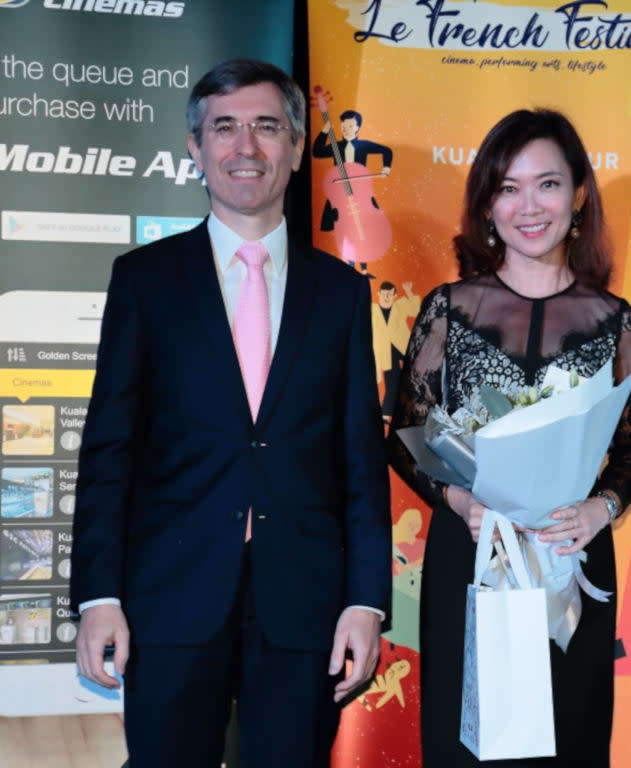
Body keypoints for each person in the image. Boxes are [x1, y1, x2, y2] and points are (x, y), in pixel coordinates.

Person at [69, 59, 392, 768]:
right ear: (196, 148)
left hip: (303, 603)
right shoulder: (145, 282)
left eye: (266, 127)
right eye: (225, 128)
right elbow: (109, 453)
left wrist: (366, 604)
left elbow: (360, 461)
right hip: (170, 600)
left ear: (296, 145)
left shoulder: (339, 294)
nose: (246, 147)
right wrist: (98, 595)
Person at [388, 109, 631, 768]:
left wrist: (601, 509)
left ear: (579, 195)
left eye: (548, 184)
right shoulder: (450, 309)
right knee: (468, 737)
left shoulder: (618, 323)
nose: (529, 206)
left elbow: (629, 450)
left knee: (568, 736)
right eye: (508, 187)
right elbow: (411, 431)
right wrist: (460, 503)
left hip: (571, 555)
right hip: (473, 553)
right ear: (487, 205)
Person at [312, 109, 394, 276]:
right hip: (340, 196)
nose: (346, 128)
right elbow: (317, 151)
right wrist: (324, 132)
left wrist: (386, 168)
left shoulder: (363, 145)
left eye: (350, 125)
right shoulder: (336, 146)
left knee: (361, 230)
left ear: (357, 127)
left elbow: (387, 151)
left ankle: (363, 270)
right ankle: (349, 269)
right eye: (343, 125)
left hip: (360, 194)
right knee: (345, 231)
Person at [371, 280, 421, 421]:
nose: (386, 297)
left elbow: (416, 309)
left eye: (390, 294)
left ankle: (414, 410)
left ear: (395, 295)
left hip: (403, 346)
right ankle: (386, 414)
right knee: (392, 381)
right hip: (385, 351)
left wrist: (409, 292)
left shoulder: (400, 305)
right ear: (379, 294)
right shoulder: (372, 309)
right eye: (384, 294)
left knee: (414, 378)